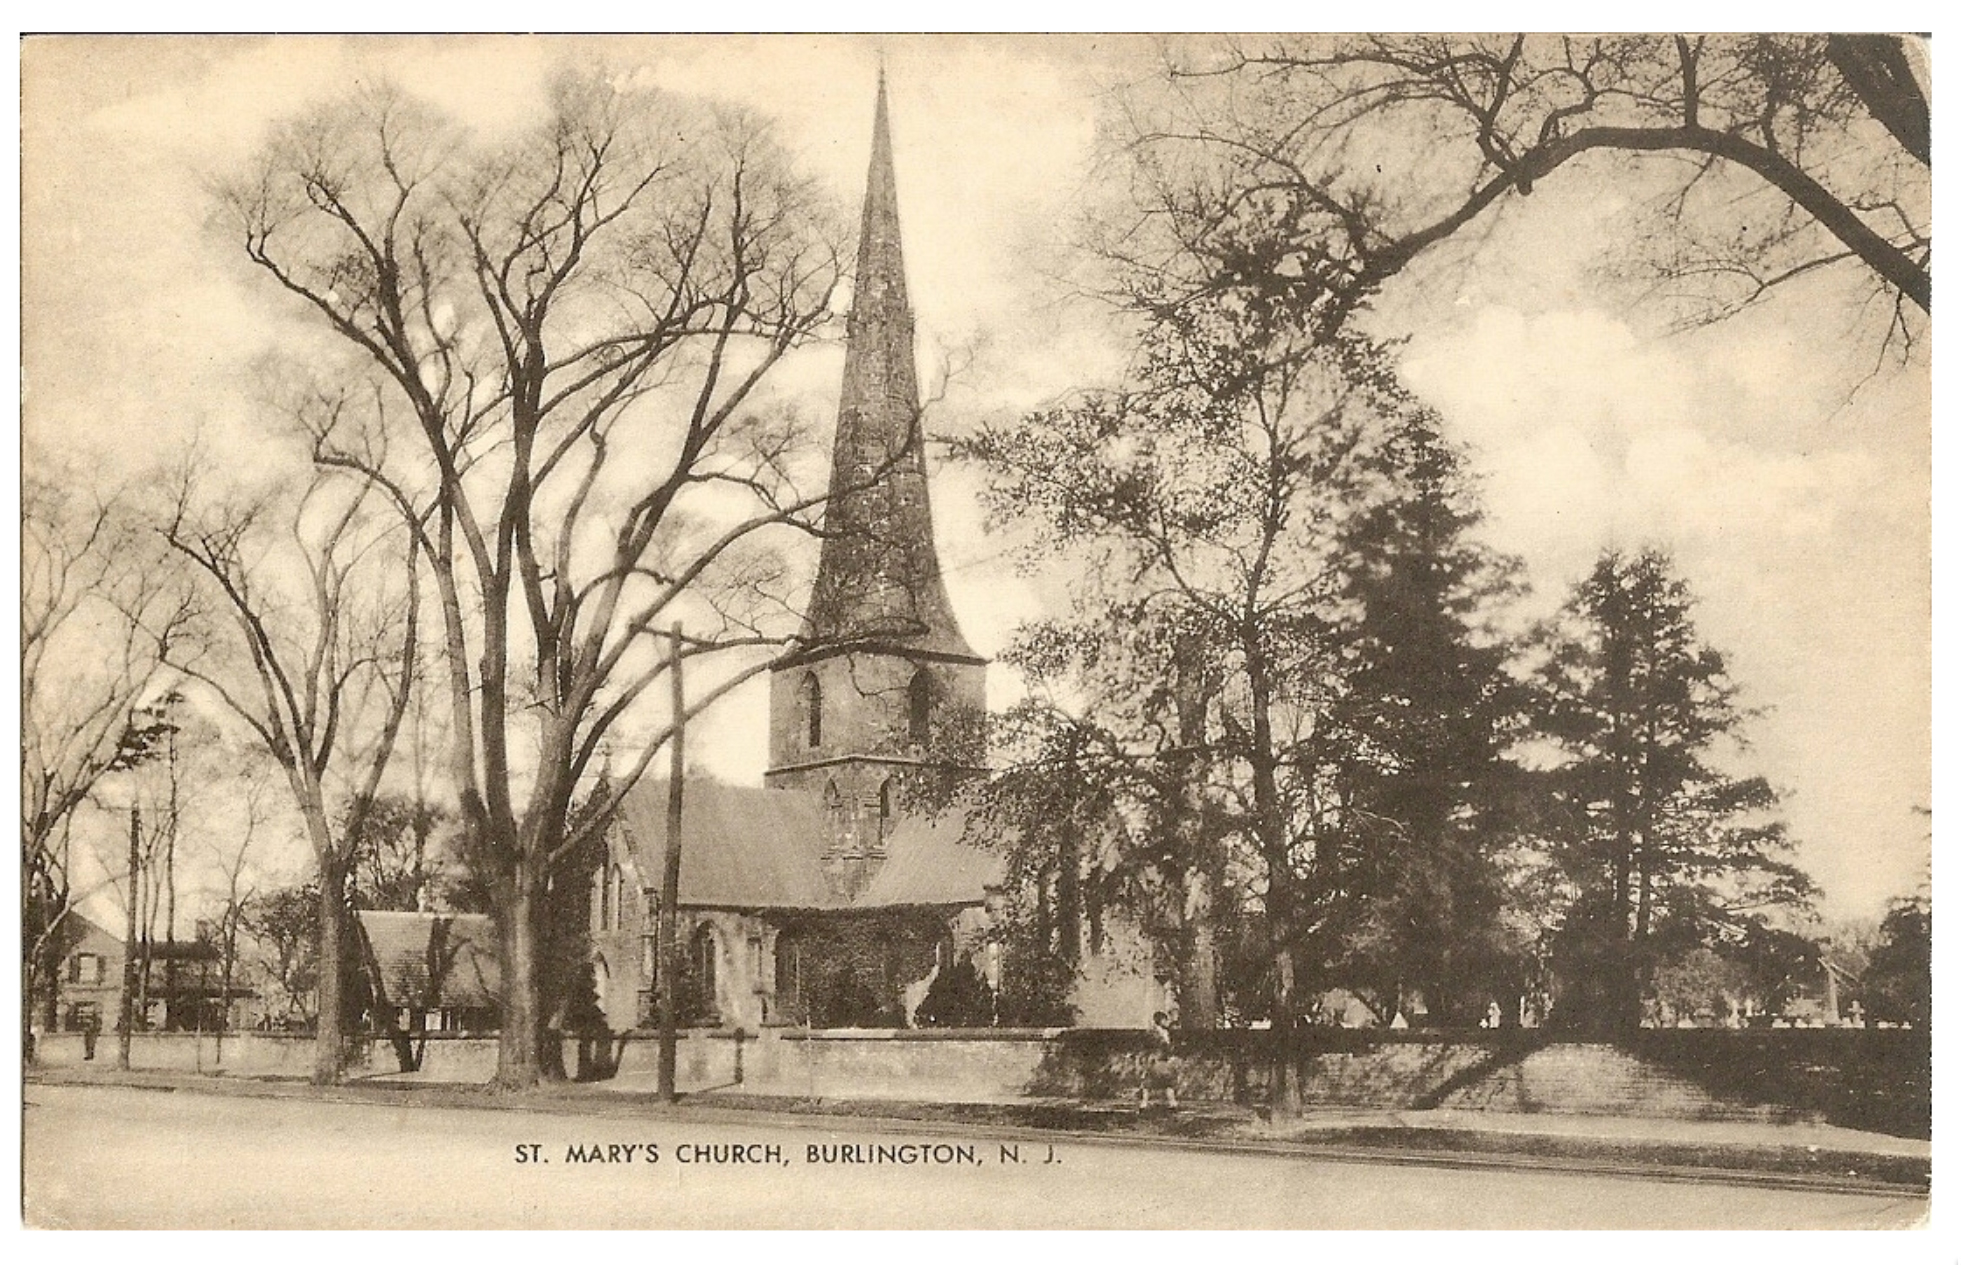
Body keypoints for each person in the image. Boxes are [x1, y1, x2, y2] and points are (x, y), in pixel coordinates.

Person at [1140, 1011, 1179, 1110]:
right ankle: (1172, 1102)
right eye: (1165, 1020)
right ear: (1161, 1021)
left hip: (1154, 1060)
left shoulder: (1152, 1032)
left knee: (1148, 1084)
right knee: (1168, 1082)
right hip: (1161, 1060)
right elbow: (1167, 1047)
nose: (1167, 1022)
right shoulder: (1163, 1033)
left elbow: (1146, 1047)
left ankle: (1144, 1103)